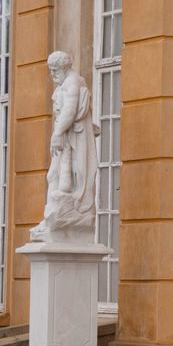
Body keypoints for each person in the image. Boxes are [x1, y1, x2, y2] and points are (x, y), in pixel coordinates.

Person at [32, 51, 99, 242]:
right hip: (66, 135)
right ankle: (52, 217)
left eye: (54, 70)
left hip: (72, 137)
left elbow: (70, 110)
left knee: (70, 175)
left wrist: (58, 133)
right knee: (54, 175)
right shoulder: (66, 83)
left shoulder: (73, 82)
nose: (52, 75)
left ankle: (62, 215)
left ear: (63, 68)